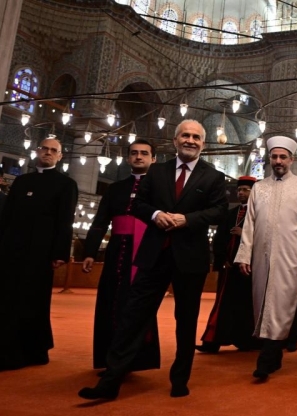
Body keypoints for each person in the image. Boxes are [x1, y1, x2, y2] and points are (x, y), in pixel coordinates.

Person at [78, 119, 228, 400]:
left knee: (186, 321)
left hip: (190, 259)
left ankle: (180, 379)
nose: (190, 140)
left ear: (203, 144)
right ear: (175, 140)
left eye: (196, 137)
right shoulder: (157, 171)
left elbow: (219, 211)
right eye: (185, 135)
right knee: (133, 317)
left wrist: (188, 219)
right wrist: (156, 215)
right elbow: (138, 205)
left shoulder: (213, 177)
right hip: (154, 255)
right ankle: (110, 382)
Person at [234, 136, 297, 381]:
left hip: (289, 257)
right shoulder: (259, 188)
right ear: (269, 159)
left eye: (283, 157)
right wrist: (245, 254)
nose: (278, 161)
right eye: (274, 157)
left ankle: (265, 360)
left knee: (282, 305)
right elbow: (249, 224)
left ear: (292, 160)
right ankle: (274, 354)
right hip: (260, 257)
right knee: (262, 303)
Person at [82, 139, 160, 373]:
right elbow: (100, 222)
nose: (139, 157)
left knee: (137, 304)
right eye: (134, 153)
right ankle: (109, 359)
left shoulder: (159, 189)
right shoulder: (115, 189)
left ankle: (135, 359)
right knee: (110, 301)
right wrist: (90, 252)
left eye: (144, 153)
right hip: (116, 252)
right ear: (127, 158)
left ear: (153, 159)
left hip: (145, 254)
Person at [0, 138, 78, 371]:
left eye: (54, 150)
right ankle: (8, 350)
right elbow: (6, 216)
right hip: (11, 249)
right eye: (45, 148)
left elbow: (65, 220)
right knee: (7, 299)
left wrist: (60, 252)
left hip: (41, 252)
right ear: (37, 151)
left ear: (60, 156)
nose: (48, 152)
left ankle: (34, 351)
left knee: (34, 300)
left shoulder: (66, 184)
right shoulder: (22, 181)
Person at [196, 176, 259, 354]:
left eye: (245, 190)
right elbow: (219, 239)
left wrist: (244, 233)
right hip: (230, 269)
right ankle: (213, 342)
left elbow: (266, 240)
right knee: (222, 305)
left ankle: (246, 341)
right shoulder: (231, 214)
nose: (241, 193)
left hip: (249, 270)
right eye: (239, 190)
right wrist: (222, 259)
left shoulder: (260, 214)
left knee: (246, 305)